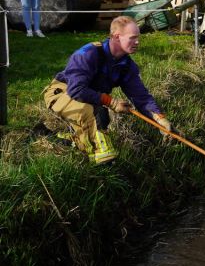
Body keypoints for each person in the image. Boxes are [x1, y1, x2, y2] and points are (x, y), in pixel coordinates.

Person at [43, 16, 172, 164]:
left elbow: (141, 96)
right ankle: (103, 160)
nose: (137, 42)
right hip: (62, 93)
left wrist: (160, 118)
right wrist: (111, 102)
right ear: (117, 37)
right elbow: (76, 89)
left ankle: (57, 138)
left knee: (87, 138)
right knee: (98, 113)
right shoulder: (88, 53)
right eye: (133, 38)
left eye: (138, 38)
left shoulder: (127, 66)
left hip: (89, 100)